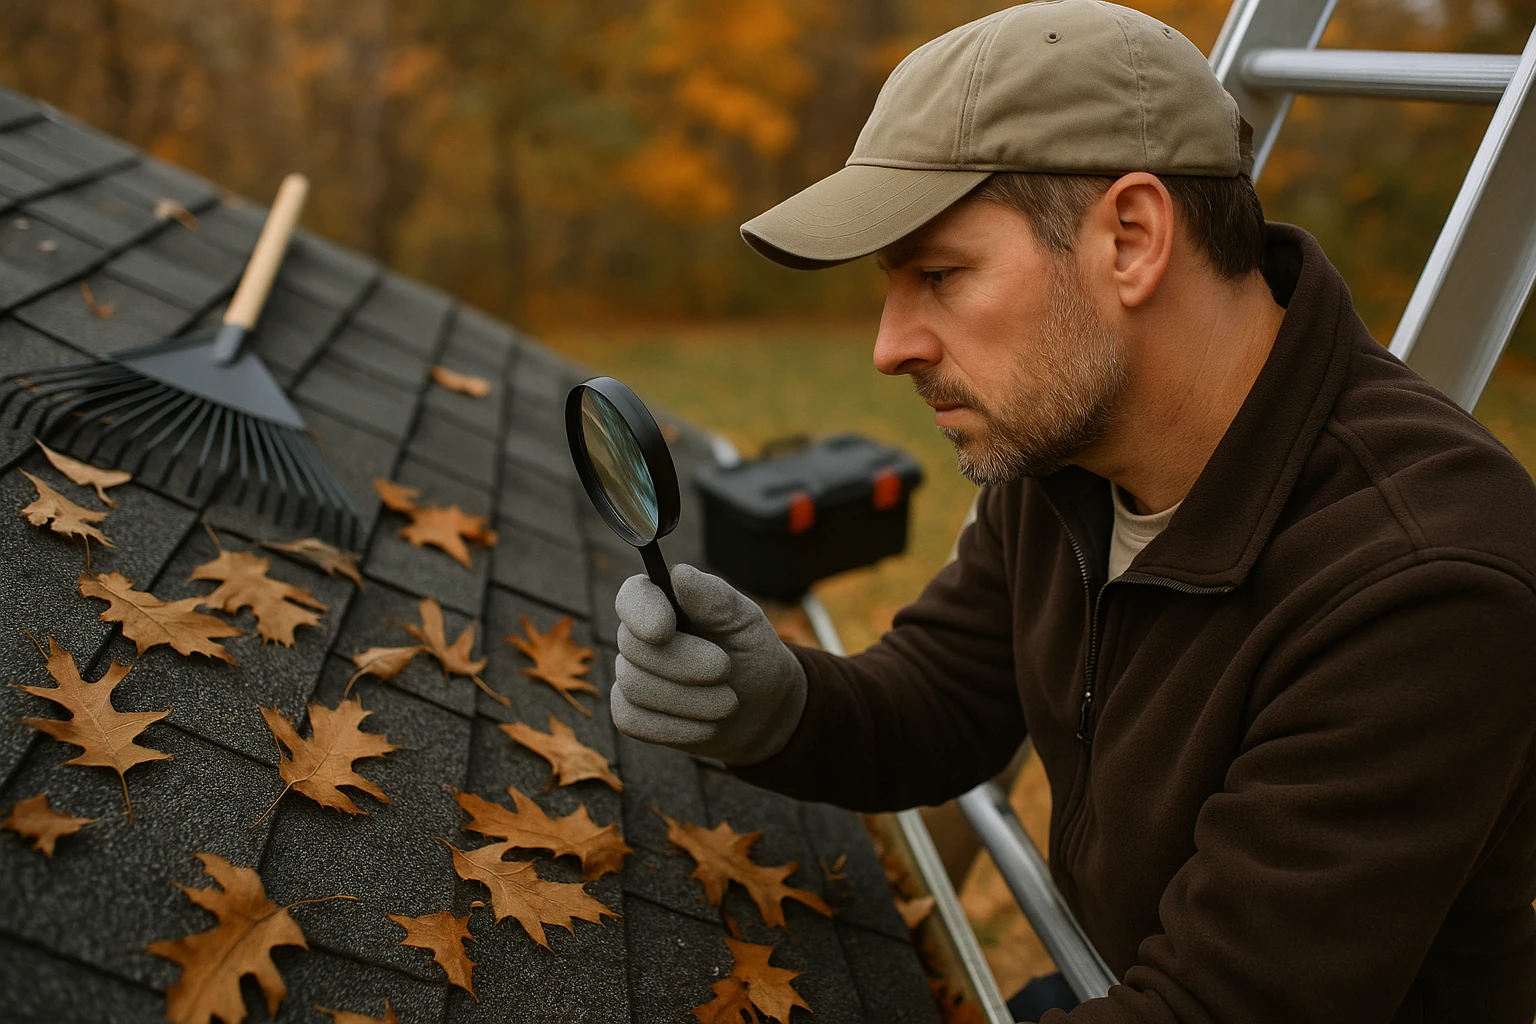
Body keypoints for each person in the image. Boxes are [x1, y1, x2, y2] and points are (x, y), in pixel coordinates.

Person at [607, 2, 1536, 1021]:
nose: (891, 346)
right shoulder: (1068, 452)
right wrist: (781, 704)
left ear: (1131, 240)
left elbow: (1215, 1007)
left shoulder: (1425, 584)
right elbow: (950, 696)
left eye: (940, 275)